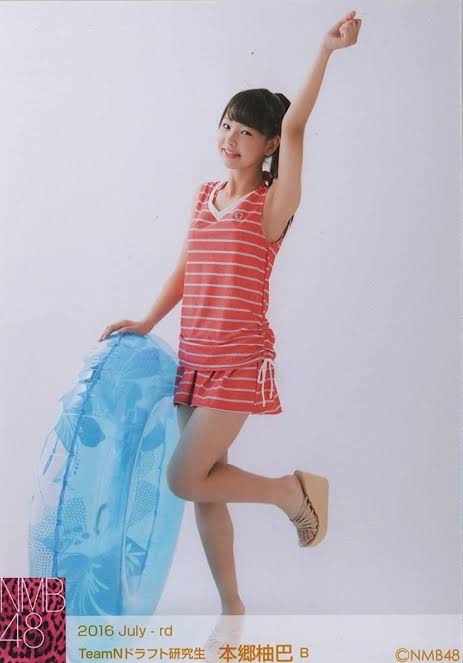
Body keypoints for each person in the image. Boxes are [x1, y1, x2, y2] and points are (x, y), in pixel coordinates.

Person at [98, 10, 362, 615]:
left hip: (239, 361)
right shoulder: (204, 197)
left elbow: (296, 127)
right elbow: (187, 270)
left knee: (183, 477)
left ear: (268, 146)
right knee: (204, 488)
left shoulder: (273, 205)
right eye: (225, 125)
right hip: (195, 359)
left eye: (245, 131)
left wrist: (325, 50)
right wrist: (147, 321)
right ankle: (233, 609)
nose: (229, 138)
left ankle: (288, 493)